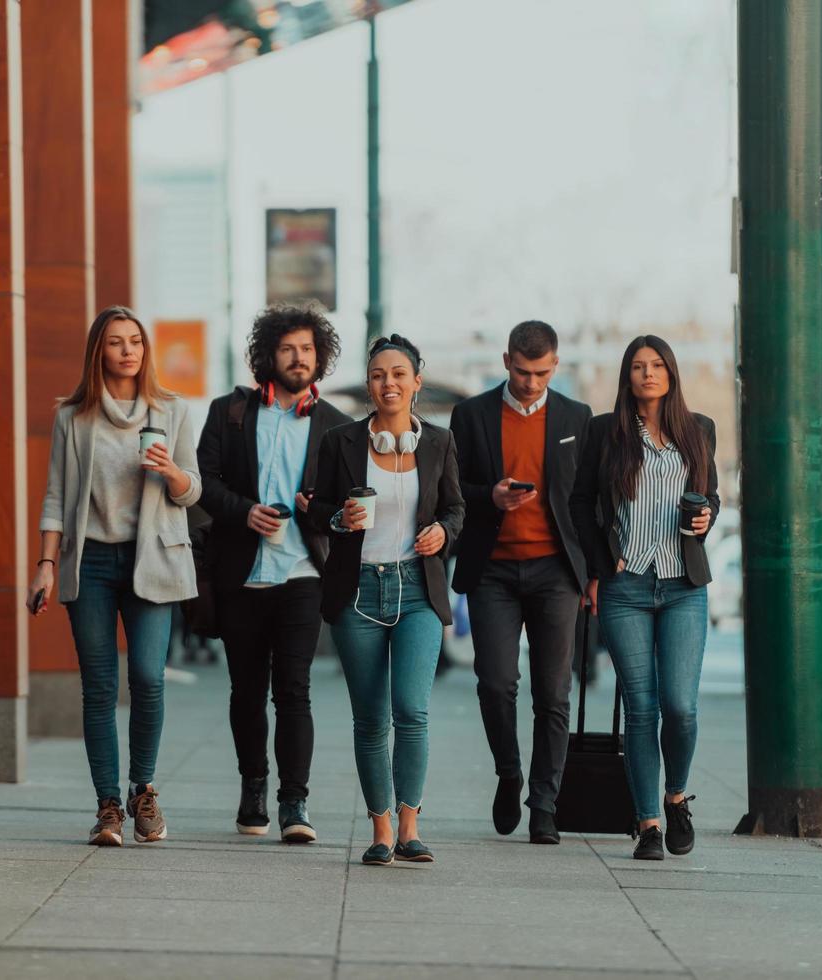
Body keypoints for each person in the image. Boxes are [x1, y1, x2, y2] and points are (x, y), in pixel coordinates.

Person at [28, 305, 203, 846]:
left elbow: (193, 490)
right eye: (115, 342)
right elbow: (56, 495)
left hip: (154, 557)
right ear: (98, 352)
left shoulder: (171, 411)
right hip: (94, 563)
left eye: (135, 342)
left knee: (148, 678)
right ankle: (108, 806)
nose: (128, 351)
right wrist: (46, 564)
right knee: (100, 687)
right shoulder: (73, 417)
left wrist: (171, 472)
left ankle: (142, 789)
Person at [308, 335, 464, 866]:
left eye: (399, 374)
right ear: (370, 383)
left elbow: (457, 510)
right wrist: (336, 519)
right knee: (371, 717)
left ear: (416, 381)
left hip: (418, 589)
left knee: (411, 710)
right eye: (378, 375)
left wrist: (443, 531)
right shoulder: (340, 442)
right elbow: (316, 508)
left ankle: (410, 826)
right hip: (359, 591)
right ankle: (379, 830)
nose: (388, 383)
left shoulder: (439, 443)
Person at [197, 305, 349, 842]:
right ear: (269, 355)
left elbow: (345, 509)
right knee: (245, 690)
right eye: (288, 349)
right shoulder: (229, 412)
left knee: (294, 690)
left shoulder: (336, 425)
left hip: (304, 573)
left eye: (307, 349)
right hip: (242, 571)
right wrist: (244, 510)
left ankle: (295, 803)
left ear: (320, 356)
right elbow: (203, 484)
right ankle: (253, 790)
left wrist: (318, 509)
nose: (298, 358)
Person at [570, 335, 718, 862]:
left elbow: (712, 496)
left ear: (671, 373)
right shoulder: (603, 432)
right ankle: (648, 822)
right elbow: (580, 500)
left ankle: (675, 796)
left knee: (680, 706)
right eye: (638, 366)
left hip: (683, 584)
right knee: (641, 706)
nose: (648, 373)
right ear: (627, 376)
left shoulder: (699, 430)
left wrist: (706, 517)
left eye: (657, 365)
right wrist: (596, 561)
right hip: (626, 584)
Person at [448, 320, 592, 846]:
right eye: (523, 371)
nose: (532, 382)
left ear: (556, 365)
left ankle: (544, 803)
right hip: (493, 571)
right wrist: (492, 497)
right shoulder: (472, 414)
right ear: (506, 360)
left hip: (557, 571)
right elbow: (453, 488)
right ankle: (509, 773)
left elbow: (588, 500)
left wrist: (592, 574)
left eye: (542, 372)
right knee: (495, 683)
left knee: (554, 693)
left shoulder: (578, 417)